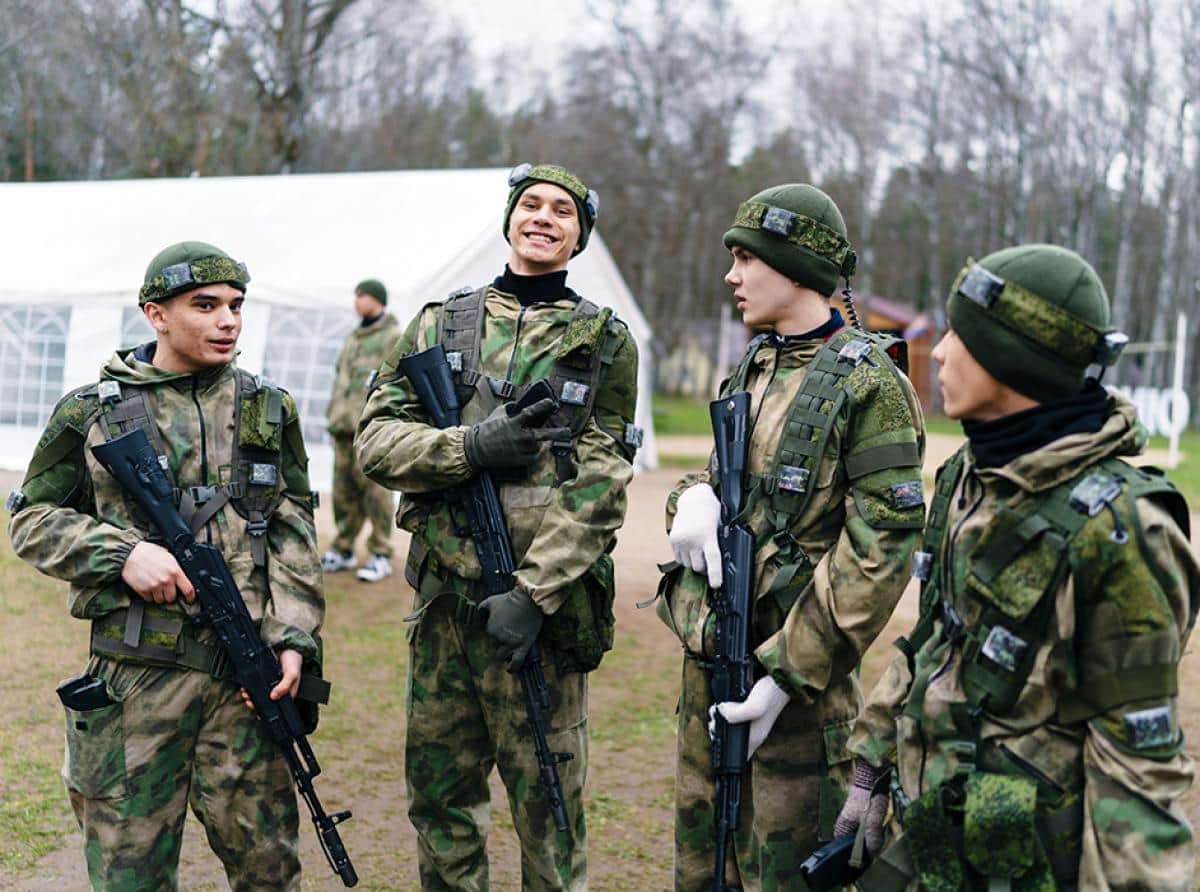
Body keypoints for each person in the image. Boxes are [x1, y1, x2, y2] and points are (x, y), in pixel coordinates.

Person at [836, 244, 1198, 891]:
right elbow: (934, 640)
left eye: (959, 335)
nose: (939, 353)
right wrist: (872, 762)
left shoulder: (1124, 530)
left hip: (1029, 865)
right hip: (934, 839)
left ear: (1013, 359)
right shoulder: (966, 476)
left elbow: (1139, 776)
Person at [356, 163, 640, 890]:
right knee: (441, 803)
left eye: (562, 211)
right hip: (445, 608)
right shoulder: (437, 324)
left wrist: (534, 593)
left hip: (540, 619)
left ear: (580, 236)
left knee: (550, 809)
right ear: (510, 219)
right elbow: (375, 441)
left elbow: (604, 478)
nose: (543, 218)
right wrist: (470, 447)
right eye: (531, 204)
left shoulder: (604, 342)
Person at [8, 241, 326, 890]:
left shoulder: (269, 409)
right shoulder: (91, 412)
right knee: (130, 875)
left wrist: (294, 637)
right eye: (205, 306)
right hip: (135, 684)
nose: (227, 320)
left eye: (236, 305)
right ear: (155, 314)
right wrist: (123, 554)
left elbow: (293, 527)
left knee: (270, 870)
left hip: (246, 683)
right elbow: (31, 520)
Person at [657, 184, 926, 890]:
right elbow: (723, 480)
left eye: (747, 258)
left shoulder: (872, 385)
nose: (732, 275)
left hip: (798, 697)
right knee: (703, 868)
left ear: (797, 266)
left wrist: (784, 676)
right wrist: (692, 497)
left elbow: (881, 549)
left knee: (781, 873)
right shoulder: (755, 363)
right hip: (714, 665)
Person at [321, 277, 402, 583]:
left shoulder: (393, 336)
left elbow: (396, 382)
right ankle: (344, 548)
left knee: (376, 492)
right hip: (343, 427)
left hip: (370, 430)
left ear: (376, 299)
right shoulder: (353, 337)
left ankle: (380, 552)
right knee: (343, 492)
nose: (356, 301)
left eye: (361, 295)